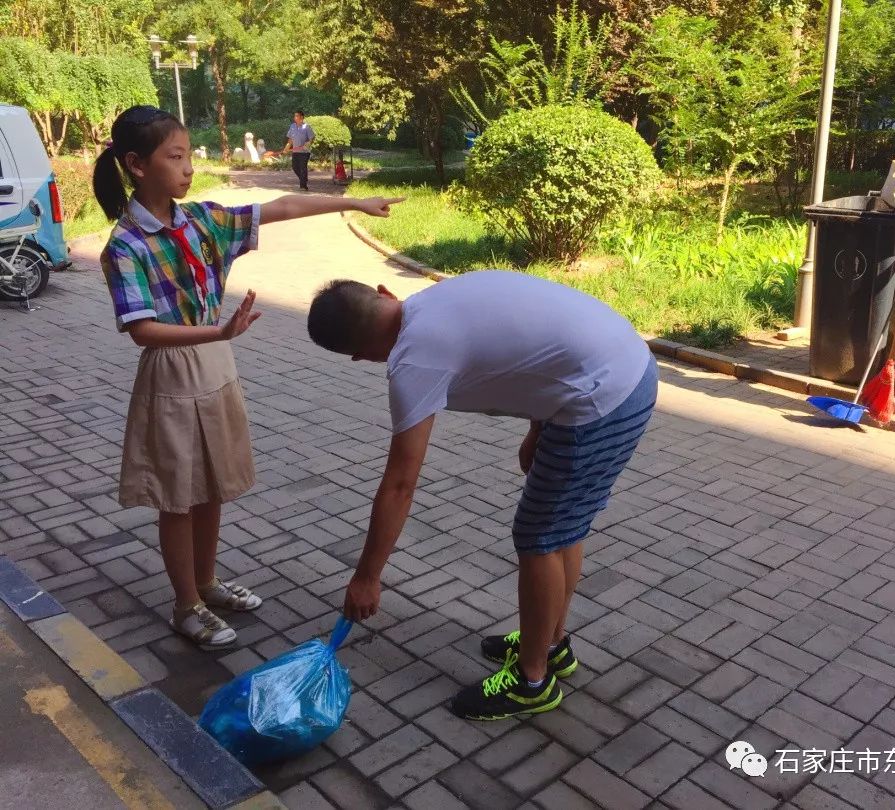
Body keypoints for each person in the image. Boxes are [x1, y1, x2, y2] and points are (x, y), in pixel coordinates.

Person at [92, 105, 402, 648]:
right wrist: (219, 333)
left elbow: (279, 206)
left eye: (188, 156)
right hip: (174, 372)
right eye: (177, 157)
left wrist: (352, 200)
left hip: (217, 361)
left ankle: (207, 584)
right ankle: (185, 604)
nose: (188, 168)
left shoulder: (201, 219)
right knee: (178, 497)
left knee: (211, 484)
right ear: (137, 165)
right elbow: (143, 331)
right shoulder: (126, 246)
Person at [306, 271, 657, 720]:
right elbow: (537, 346)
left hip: (602, 398)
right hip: (626, 367)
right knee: (561, 527)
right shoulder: (436, 299)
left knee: (539, 536)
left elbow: (400, 484)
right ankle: (550, 644)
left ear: (360, 357)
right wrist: (540, 424)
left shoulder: (415, 360)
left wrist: (367, 577)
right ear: (383, 293)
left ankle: (532, 681)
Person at [284, 110, 316, 191]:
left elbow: (312, 138)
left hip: (305, 152)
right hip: (295, 152)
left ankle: (303, 186)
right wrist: (286, 148)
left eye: (296, 116)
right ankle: (304, 179)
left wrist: (308, 143)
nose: (295, 117)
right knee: (295, 167)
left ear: (301, 117)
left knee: (303, 168)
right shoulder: (292, 126)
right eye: (294, 116)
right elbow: (290, 139)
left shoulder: (307, 127)